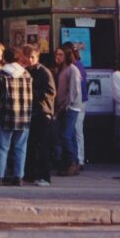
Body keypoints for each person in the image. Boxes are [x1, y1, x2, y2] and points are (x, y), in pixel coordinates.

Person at [0, 46, 33, 186]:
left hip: (6, 115)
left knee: (2, 147)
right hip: (24, 116)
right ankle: (18, 176)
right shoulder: (26, 74)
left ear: (4, 59)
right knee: (21, 147)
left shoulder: (2, 75)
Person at [22, 44, 56, 186]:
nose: (30, 60)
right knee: (31, 145)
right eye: (27, 57)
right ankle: (30, 175)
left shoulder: (44, 72)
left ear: (37, 57)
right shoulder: (26, 71)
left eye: (32, 57)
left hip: (42, 112)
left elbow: (50, 91)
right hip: (31, 112)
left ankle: (44, 177)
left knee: (43, 146)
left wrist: (32, 95)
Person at [54, 45, 82, 176]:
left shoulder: (73, 69)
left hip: (71, 106)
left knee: (66, 135)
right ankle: (69, 163)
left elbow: (74, 89)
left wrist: (68, 103)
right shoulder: (60, 69)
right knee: (66, 136)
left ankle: (72, 162)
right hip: (61, 106)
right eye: (56, 55)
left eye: (60, 55)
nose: (57, 57)